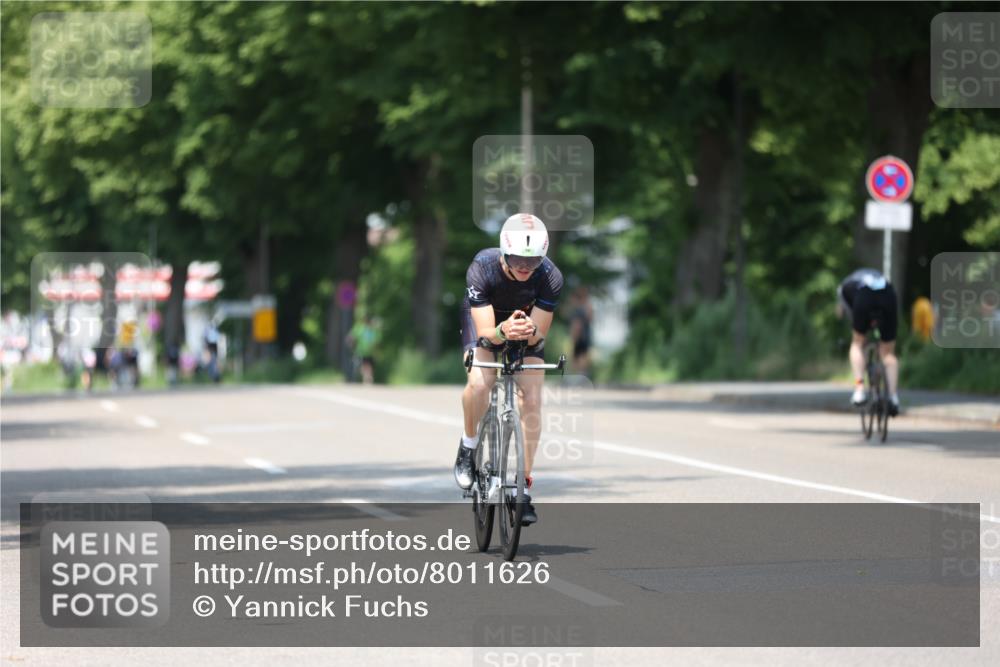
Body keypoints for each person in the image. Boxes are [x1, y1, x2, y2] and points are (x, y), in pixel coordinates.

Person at [454, 213, 563, 526]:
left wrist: (529, 332)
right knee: (480, 383)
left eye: (533, 260)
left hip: (524, 329)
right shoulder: (482, 268)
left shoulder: (550, 277)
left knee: (532, 399)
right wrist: (503, 331)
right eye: (517, 259)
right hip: (487, 325)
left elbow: (539, 335)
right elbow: (486, 333)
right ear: (504, 252)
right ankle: (468, 445)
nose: (525, 267)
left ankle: (523, 488)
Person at [836, 268, 900, 416]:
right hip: (888, 295)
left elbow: (849, 313)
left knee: (857, 343)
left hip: (864, 297)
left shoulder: (845, 288)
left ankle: (859, 391)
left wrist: (861, 332)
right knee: (888, 352)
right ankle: (893, 397)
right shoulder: (877, 277)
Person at [568, 285, 594, 377]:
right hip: (583, 336)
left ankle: (579, 375)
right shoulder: (582, 307)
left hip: (582, 336)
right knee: (579, 356)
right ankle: (579, 375)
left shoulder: (581, 308)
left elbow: (577, 324)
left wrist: (574, 336)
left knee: (580, 356)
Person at [348, 315, 380, 385]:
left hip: (364, 351)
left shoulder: (362, 329)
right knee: (366, 365)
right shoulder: (369, 330)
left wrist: (351, 343)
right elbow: (352, 337)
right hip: (363, 351)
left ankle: (367, 377)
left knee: (365, 365)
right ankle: (367, 377)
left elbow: (352, 337)